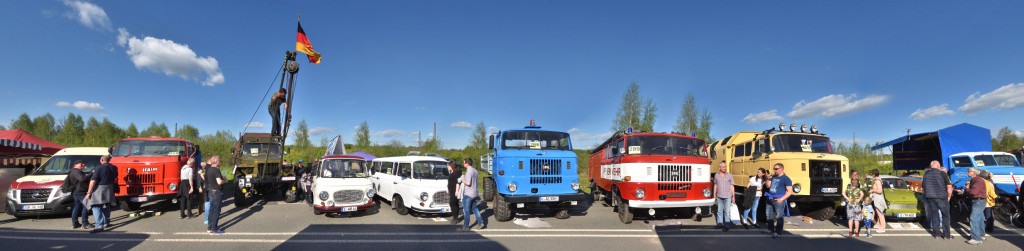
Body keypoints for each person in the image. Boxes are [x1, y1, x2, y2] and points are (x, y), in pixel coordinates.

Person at [85, 155, 117, 233]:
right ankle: (106, 222)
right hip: (110, 187)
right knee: (106, 205)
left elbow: (93, 181)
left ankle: (99, 225)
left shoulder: (99, 167)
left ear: (101, 160)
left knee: (95, 206)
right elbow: (115, 176)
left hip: (100, 188)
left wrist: (88, 192)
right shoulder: (114, 167)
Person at [922, 160, 952, 240]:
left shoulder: (926, 174)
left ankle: (937, 234)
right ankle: (946, 235)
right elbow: (949, 187)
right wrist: (949, 197)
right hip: (942, 198)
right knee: (945, 216)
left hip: (931, 198)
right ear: (938, 166)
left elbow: (924, 187)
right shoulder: (943, 174)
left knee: (934, 216)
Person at [763, 163, 793, 239]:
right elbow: (768, 186)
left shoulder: (786, 178)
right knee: (768, 215)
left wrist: (782, 199)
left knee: (779, 216)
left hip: (779, 200)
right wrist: (767, 178)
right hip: (770, 198)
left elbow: (790, 191)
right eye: (774, 169)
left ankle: (778, 232)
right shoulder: (773, 177)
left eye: (776, 169)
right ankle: (770, 229)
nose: (774, 170)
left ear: (781, 169)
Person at [962, 167, 987, 245]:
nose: (967, 172)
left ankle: (976, 238)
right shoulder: (975, 180)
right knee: (979, 218)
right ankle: (981, 235)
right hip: (979, 201)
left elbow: (973, 192)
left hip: (978, 201)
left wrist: (967, 189)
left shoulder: (977, 181)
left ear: (974, 173)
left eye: (969, 171)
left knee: (973, 218)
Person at [458, 158, 484, 231]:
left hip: (468, 194)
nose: (463, 164)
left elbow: (468, 183)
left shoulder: (469, 171)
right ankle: (480, 223)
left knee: (466, 211)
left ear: (467, 163)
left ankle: (466, 226)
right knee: (475, 209)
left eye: (464, 163)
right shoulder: (475, 170)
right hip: (474, 193)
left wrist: (462, 180)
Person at [67, 160, 92, 229]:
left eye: (84, 164)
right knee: (85, 206)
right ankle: (85, 223)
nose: (83, 166)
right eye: (81, 164)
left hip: (76, 192)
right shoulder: (76, 171)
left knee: (77, 207)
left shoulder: (73, 171)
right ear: (75, 165)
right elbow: (82, 179)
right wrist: (91, 173)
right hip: (80, 192)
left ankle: (75, 223)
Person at [204, 156, 226, 235]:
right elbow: (219, 182)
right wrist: (225, 180)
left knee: (211, 210)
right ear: (216, 162)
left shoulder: (209, 169)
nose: (219, 162)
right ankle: (214, 228)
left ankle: (209, 227)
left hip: (211, 190)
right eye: (219, 161)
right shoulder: (216, 170)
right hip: (216, 191)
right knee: (216, 210)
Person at [713, 161, 735, 232]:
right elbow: (715, 185)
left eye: (725, 167)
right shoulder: (716, 175)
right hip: (719, 196)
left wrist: (733, 196)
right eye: (723, 167)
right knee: (719, 211)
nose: (725, 168)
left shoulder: (729, 175)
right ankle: (719, 224)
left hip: (728, 196)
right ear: (719, 168)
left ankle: (727, 225)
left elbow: (732, 186)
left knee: (727, 211)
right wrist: (714, 194)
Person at [868, 169, 887, 233]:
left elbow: (879, 191)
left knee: (880, 213)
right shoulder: (878, 180)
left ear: (874, 174)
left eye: (872, 173)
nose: (871, 174)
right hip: (877, 198)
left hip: (878, 198)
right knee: (878, 211)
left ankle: (882, 227)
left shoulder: (877, 181)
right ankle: (879, 224)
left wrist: (873, 191)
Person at [980, 170, 996, 237]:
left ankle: (984, 228)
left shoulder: (984, 182)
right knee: (988, 216)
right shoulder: (990, 181)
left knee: (982, 216)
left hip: (984, 201)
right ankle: (990, 228)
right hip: (989, 202)